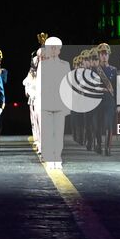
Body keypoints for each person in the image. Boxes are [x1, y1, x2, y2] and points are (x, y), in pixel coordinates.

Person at [37, 36, 68, 169]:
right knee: (48, 133)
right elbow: (39, 87)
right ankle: (50, 157)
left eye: (56, 48)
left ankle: (57, 157)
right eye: (51, 48)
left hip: (60, 103)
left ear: (59, 50)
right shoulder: (42, 65)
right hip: (46, 104)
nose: (54, 50)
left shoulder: (65, 65)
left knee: (59, 133)